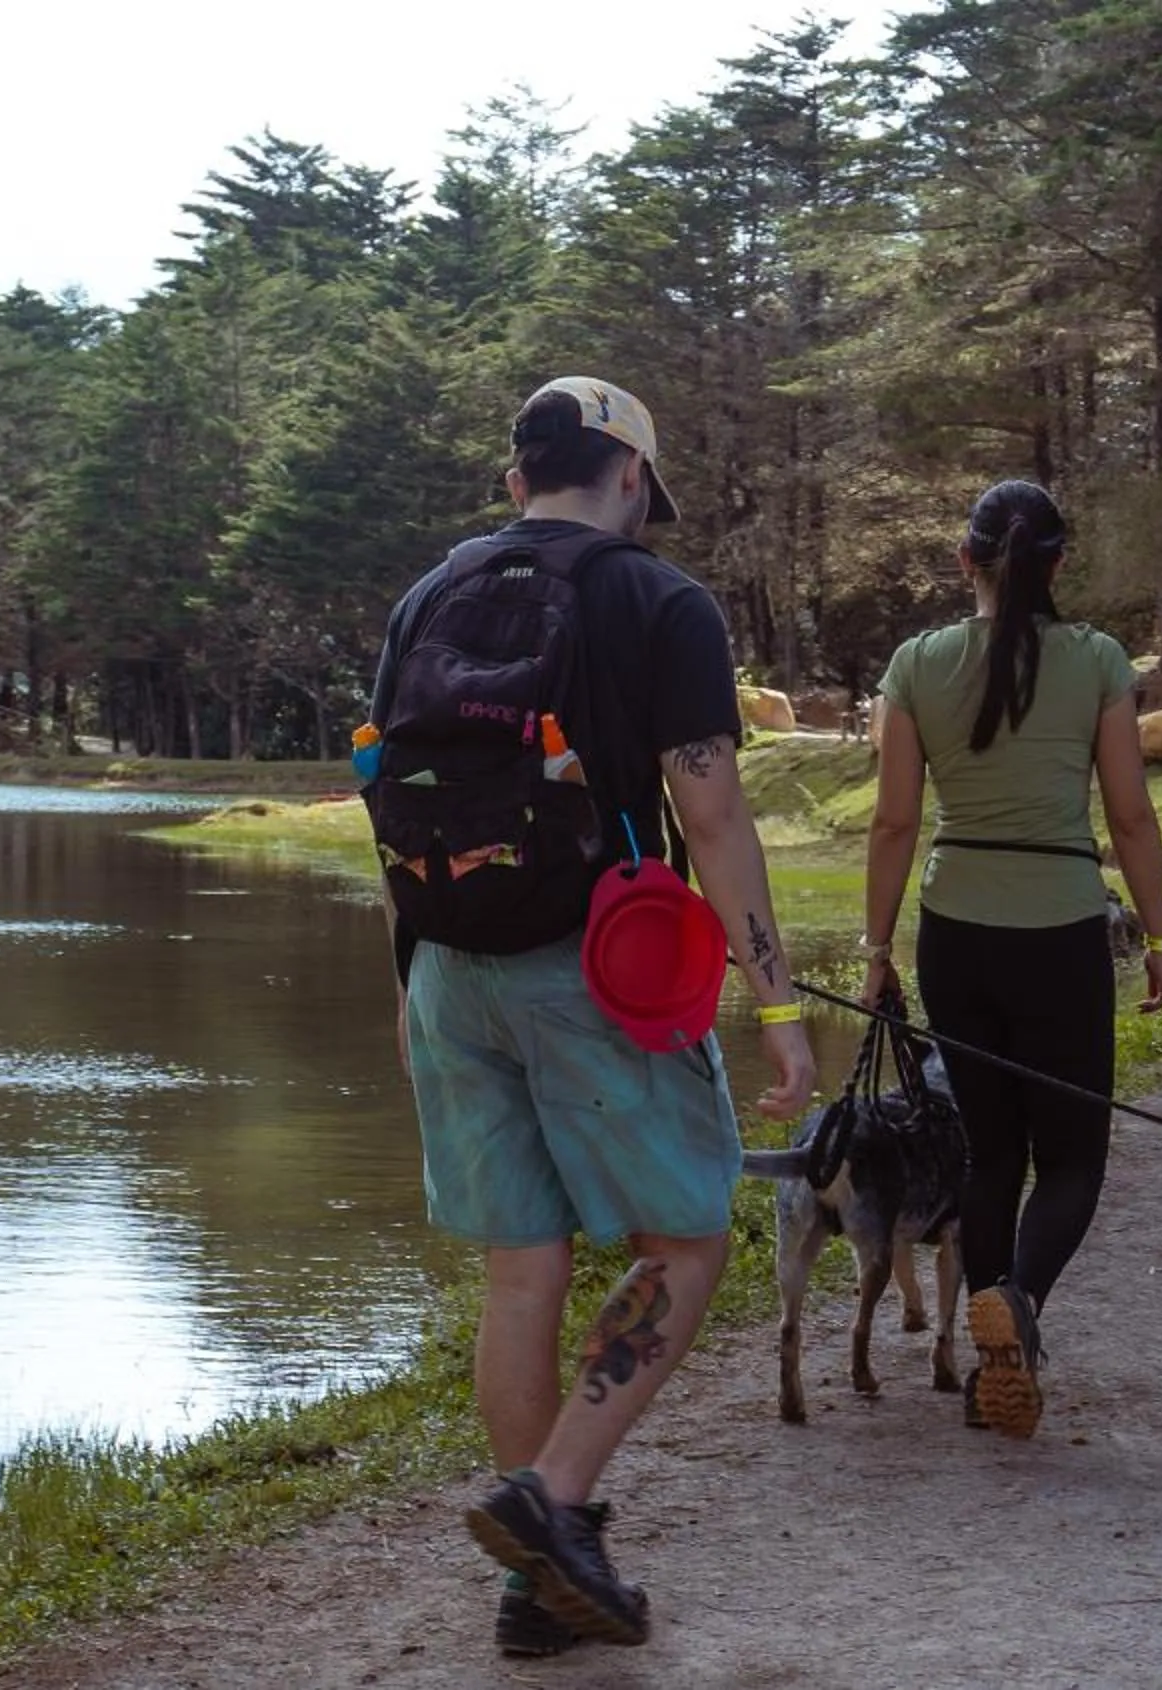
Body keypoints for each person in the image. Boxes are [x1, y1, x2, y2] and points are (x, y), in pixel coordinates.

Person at [368, 376, 813, 1657]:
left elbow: (392, 801)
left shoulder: (425, 597)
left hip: (451, 962)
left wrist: (410, 978)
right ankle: (550, 1503)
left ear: (519, 481)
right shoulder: (659, 600)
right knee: (686, 1243)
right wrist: (774, 997)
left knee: (524, 1269)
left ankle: (534, 1589)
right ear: (630, 479)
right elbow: (713, 815)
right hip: (603, 970)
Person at [857, 478, 1162, 1441]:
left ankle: (996, 1325)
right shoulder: (1097, 661)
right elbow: (1129, 814)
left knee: (991, 1153)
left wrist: (876, 951)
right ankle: (1020, 1307)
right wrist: (1159, 939)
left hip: (956, 928)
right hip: (1061, 933)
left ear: (967, 563)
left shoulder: (917, 663)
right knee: (1073, 1157)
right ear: (1058, 565)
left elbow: (894, 820)